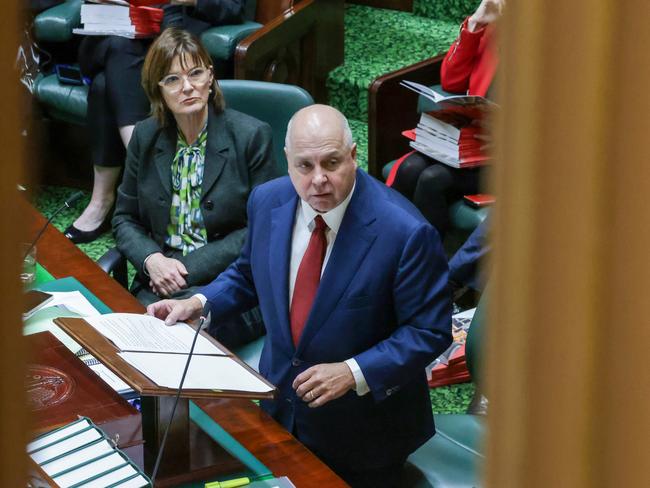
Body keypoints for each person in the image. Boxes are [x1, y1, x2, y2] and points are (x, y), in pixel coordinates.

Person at [147, 105, 453, 487]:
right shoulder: (267, 200)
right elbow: (248, 273)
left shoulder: (405, 232)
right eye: (305, 166)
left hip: (365, 435)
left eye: (332, 162)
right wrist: (200, 303)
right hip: (279, 404)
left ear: (354, 156)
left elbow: (429, 331)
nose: (319, 180)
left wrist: (352, 371)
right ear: (288, 162)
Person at [112, 28, 278, 344]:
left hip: (228, 287)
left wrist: (183, 270)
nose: (187, 87)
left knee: (170, 344)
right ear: (157, 89)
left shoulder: (251, 137)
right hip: (158, 281)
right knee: (123, 341)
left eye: (196, 73)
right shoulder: (146, 137)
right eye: (172, 80)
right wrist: (152, 261)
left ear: (211, 77)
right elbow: (124, 218)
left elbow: (265, 228)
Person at [65, 0, 246, 243]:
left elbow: (232, 8)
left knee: (103, 85)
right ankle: (145, 162)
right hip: (114, 30)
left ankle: (102, 199)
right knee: (119, 46)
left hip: (171, 45)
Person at [388, 0, 502, 237]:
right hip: (472, 148)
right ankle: (391, 252)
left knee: (433, 179)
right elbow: (451, 81)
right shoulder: (494, 30)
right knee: (409, 169)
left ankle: (430, 265)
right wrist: (474, 24)